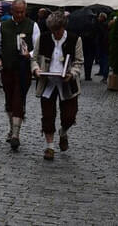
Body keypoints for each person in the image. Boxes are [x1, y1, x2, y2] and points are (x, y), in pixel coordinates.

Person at [31, 11, 84, 160]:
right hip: (47, 82)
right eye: (53, 31)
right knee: (48, 115)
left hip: (67, 83)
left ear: (63, 27)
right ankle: (50, 147)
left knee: (69, 115)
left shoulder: (75, 39)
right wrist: (36, 69)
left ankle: (63, 132)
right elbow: (33, 59)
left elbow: (79, 61)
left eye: (58, 31)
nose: (56, 34)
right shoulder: (43, 38)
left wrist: (72, 73)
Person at [0, 0, 40, 150]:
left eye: (22, 12)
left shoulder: (33, 25)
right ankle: (12, 127)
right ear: (11, 11)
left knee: (18, 98)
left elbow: (38, 47)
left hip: (24, 69)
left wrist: (29, 55)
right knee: (9, 99)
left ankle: (16, 135)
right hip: (7, 68)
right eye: (17, 12)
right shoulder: (3, 26)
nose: (20, 15)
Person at [95, 13, 109, 83]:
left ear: (103, 18)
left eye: (99, 17)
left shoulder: (103, 25)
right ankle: (102, 72)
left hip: (104, 45)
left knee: (105, 60)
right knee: (102, 59)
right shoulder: (102, 24)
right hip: (102, 45)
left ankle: (105, 75)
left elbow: (102, 35)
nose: (98, 18)